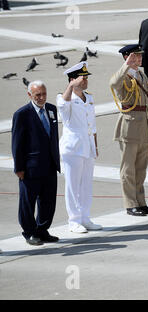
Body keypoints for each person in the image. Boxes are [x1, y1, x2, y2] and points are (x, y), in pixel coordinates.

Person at [110, 44, 148, 217]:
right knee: (128, 168)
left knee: (141, 168)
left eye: (139, 57)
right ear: (126, 57)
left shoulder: (140, 74)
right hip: (129, 126)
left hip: (144, 125)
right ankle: (130, 204)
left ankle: (141, 202)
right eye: (134, 57)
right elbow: (114, 83)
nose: (138, 59)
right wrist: (126, 66)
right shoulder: (123, 75)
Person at [11, 80, 60, 245]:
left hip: (50, 165)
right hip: (30, 167)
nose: (41, 97)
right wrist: (19, 167)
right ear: (29, 95)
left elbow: (52, 138)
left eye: (44, 94)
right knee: (28, 202)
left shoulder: (52, 109)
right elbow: (17, 143)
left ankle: (42, 229)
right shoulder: (22, 114)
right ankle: (29, 232)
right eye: (37, 95)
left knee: (48, 200)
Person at [57, 62, 102, 233]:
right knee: (72, 185)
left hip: (87, 147)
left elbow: (93, 125)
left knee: (86, 185)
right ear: (72, 79)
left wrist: (95, 146)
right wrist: (70, 86)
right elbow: (62, 106)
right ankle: (73, 220)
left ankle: (85, 217)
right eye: (82, 78)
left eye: (86, 78)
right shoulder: (64, 97)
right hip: (73, 149)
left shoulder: (88, 98)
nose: (85, 81)